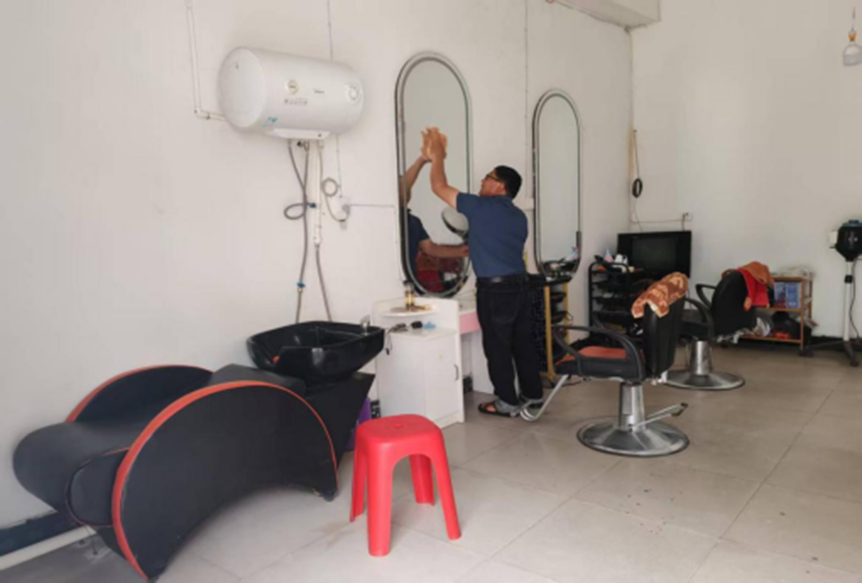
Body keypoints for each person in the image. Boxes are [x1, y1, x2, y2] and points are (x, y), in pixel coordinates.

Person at [422, 127, 543, 417]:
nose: (482, 180)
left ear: (500, 186)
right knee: (523, 343)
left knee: (498, 347)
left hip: (496, 290)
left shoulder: (480, 206)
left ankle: (507, 402)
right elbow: (496, 245)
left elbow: (439, 186)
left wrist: (438, 156)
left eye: (488, 177)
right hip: (521, 286)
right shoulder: (518, 216)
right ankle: (533, 396)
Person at [399, 154, 469, 282]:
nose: (407, 191)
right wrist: (421, 160)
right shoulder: (388, 219)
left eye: (409, 189)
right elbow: (400, 191)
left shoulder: (414, 222)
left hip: (409, 281)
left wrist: (461, 251)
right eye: (406, 187)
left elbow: (430, 248)